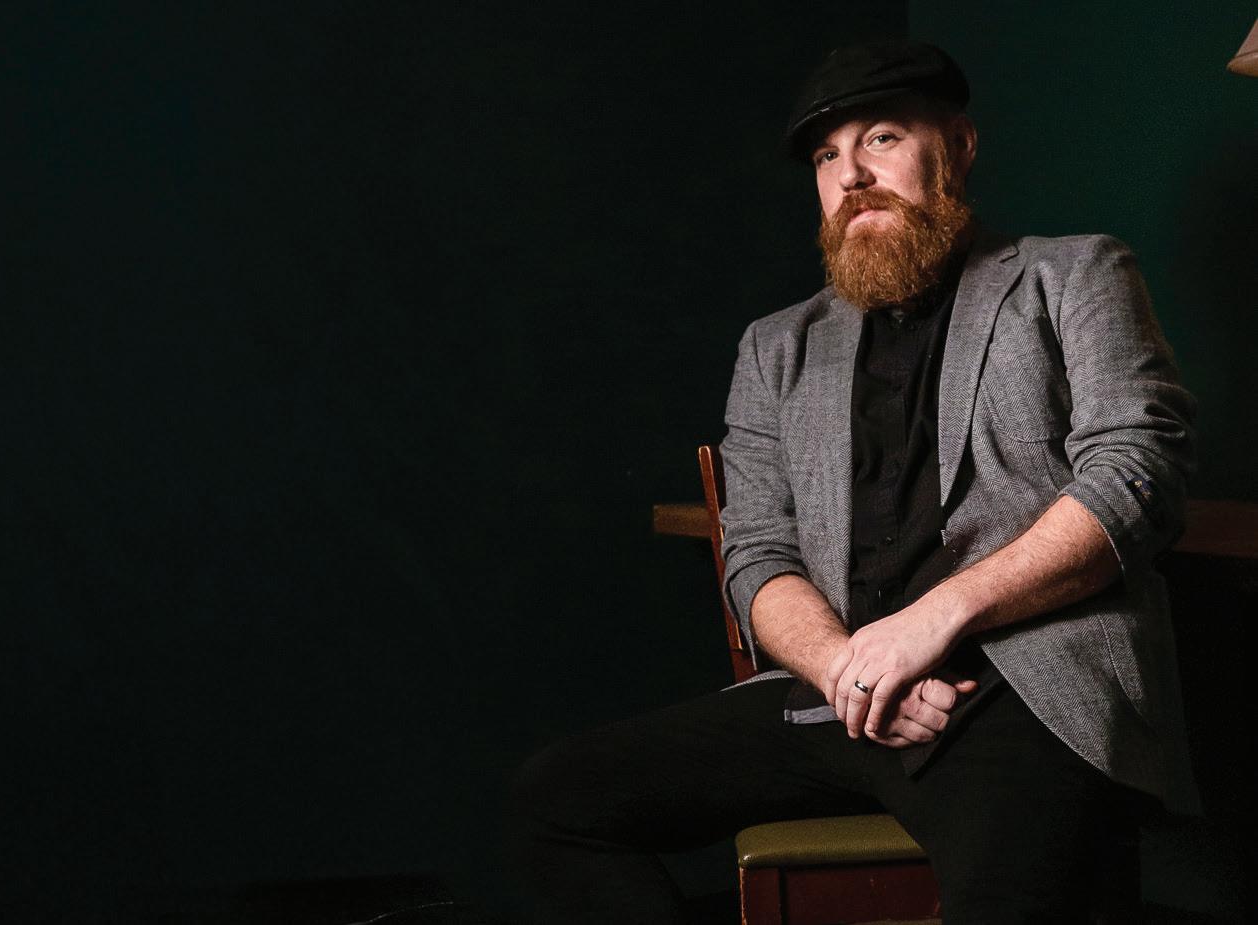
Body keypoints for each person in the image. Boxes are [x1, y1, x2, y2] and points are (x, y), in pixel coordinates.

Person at [507, 39, 1197, 924]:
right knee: (553, 801)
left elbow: (1138, 475)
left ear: (959, 145)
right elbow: (757, 551)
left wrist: (933, 618)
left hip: (1021, 691)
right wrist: (848, 669)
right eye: (827, 157)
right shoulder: (776, 346)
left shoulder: (1072, 275)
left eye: (881, 138)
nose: (851, 176)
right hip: (843, 696)